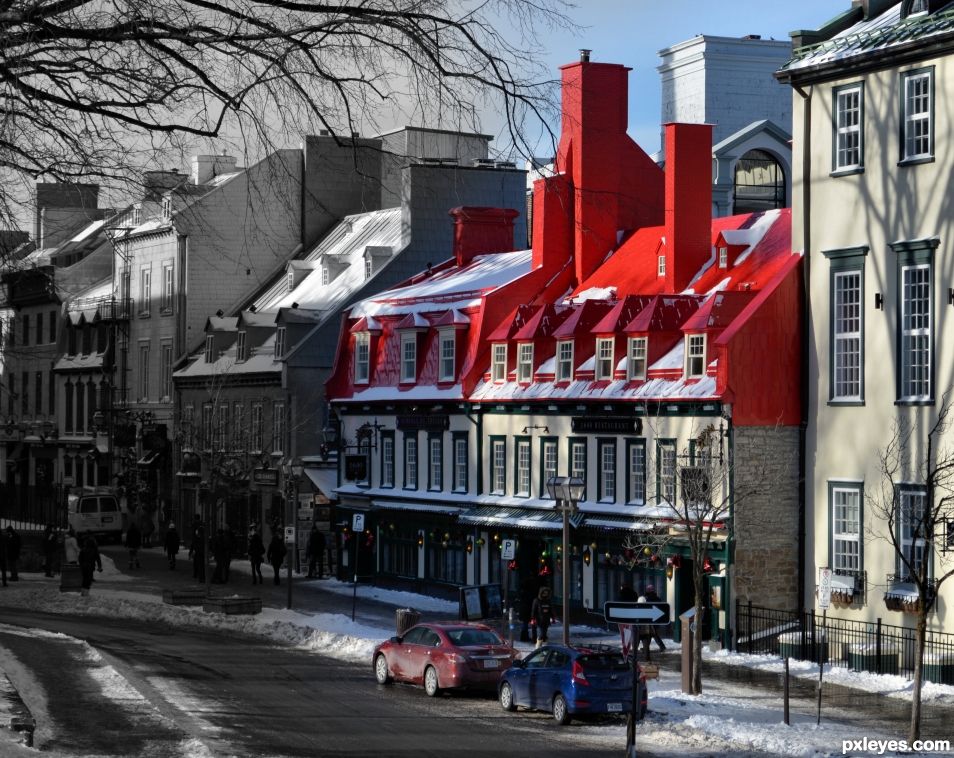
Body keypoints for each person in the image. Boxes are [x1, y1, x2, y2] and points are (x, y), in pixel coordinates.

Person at [644, 583, 667, 652]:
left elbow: (647, 608)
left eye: (647, 589)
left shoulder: (648, 599)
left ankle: (661, 646)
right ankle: (646, 647)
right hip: (656, 618)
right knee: (651, 633)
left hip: (650, 618)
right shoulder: (657, 598)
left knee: (653, 633)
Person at [188, 515, 205, 583]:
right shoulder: (201, 524)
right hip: (201, 550)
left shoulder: (195, 525)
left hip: (197, 549)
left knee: (197, 563)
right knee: (201, 564)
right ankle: (200, 576)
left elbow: (194, 542)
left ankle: (197, 574)